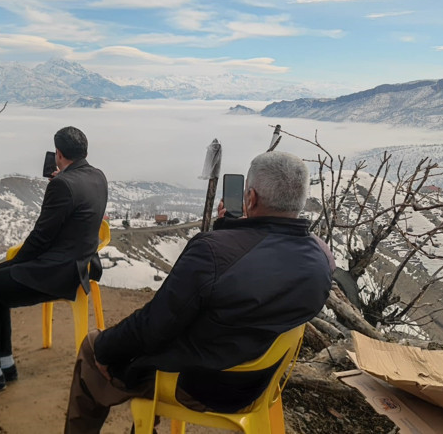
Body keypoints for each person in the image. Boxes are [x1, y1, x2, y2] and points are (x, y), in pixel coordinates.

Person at [63, 151, 334, 433]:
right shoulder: (322, 258)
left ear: (250, 198)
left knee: (94, 346)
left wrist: (106, 350)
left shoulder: (210, 252)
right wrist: (230, 228)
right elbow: (258, 262)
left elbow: (153, 326)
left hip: (200, 384)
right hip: (260, 381)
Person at [0, 126, 108, 396]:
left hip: (58, 272)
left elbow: (40, 238)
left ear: (58, 154)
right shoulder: (98, 177)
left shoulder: (62, 185)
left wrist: (14, 264)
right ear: (85, 152)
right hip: (79, 265)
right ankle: (4, 365)